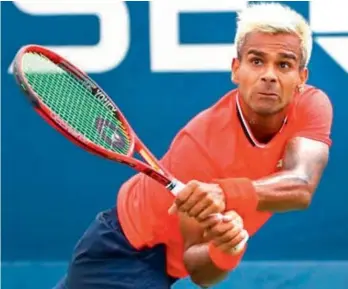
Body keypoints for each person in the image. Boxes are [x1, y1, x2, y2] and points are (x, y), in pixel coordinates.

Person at [54, 2, 333, 289]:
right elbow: (199, 272)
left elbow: (301, 186)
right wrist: (219, 250)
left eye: (284, 64)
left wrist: (225, 245)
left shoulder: (312, 105)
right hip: (121, 253)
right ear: (236, 70)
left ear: (302, 78)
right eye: (257, 61)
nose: (269, 75)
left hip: (160, 265)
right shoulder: (201, 147)